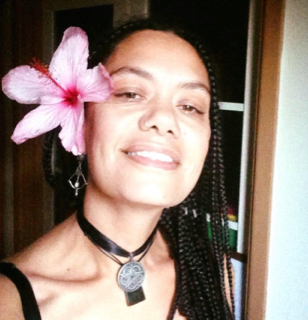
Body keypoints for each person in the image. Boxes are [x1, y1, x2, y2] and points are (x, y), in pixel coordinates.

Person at [0, 20, 234, 320]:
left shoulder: (206, 267)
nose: (163, 119)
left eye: (190, 106)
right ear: (82, 124)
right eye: (130, 94)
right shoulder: (10, 303)